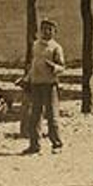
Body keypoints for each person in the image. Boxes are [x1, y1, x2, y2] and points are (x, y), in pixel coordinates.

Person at [23, 17, 65, 154]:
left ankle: (56, 144)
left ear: (55, 32)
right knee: (35, 115)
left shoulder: (56, 47)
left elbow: (62, 67)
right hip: (36, 84)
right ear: (40, 31)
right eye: (44, 29)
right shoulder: (35, 45)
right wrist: (26, 78)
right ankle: (34, 145)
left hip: (50, 85)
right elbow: (33, 64)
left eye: (50, 29)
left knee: (52, 115)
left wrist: (54, 67)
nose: (47, 32)